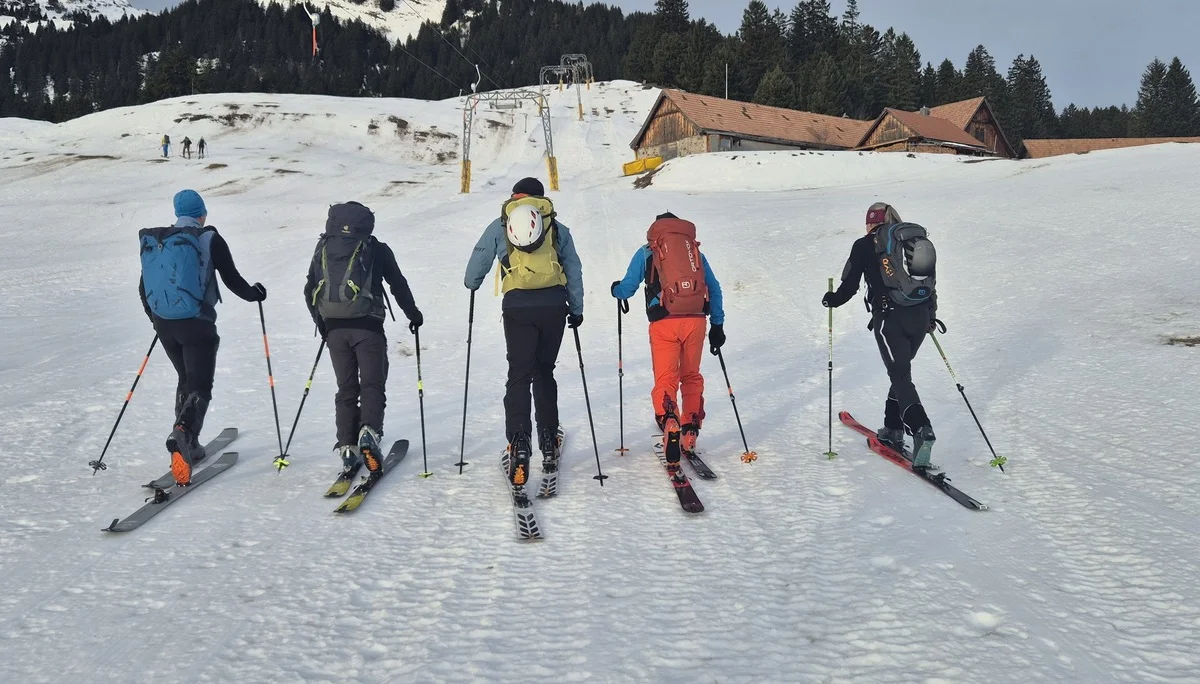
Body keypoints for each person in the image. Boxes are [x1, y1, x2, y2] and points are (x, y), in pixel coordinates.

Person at [138, 190, 267, 485]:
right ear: (202, 213)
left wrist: (157, 322)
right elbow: (232, 280)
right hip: (197, 324)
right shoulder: (208, 238)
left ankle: (190, 444)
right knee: (200, 386)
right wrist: (256, 294)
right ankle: (183, 432)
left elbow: (143, 288)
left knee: (185, 379)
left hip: (165, 324)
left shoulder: (161, 242)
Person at [463, 177, 583, 488]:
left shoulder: (500, 224)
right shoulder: (556, 226)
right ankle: (548, 441)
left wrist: (472, 284)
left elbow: (476, 266)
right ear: (541, 200)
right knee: (544, 372)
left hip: (517, 305)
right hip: (554, 304)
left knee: (518, 374)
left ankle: (518, 443)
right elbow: (573, 267)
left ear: (515, 196)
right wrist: (576, 307)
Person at [304, 201, 422, 482]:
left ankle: (347, 446)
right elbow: (398, 284)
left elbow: (310, 287)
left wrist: (322, 324)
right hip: (368, 327)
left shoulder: (323, 247)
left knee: (346, 387)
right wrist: (413, 314)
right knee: (371, 383)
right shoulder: (376, 249)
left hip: (334, 330)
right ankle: (369, 433)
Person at [821, 202, 941, 467]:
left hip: (890, 320)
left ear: (869, 223)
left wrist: (832, 300)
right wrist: (930, 316)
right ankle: (892, 427)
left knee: (899, 375)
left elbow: (850, 284)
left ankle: (921, 429)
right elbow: (929, 283)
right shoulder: (913, 242)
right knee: (902, 373)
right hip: (920, 318)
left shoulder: (864, 245)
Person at [610, 212, 724, 480]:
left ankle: (669, 420)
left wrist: (616, 291)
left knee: (666, 378)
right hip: (696, 320)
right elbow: (714, 288)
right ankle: (690, 430)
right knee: (691, 376)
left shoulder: (648, 250)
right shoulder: (693, 250)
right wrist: (717, 324)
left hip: (663, 322)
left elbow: (628, 287)